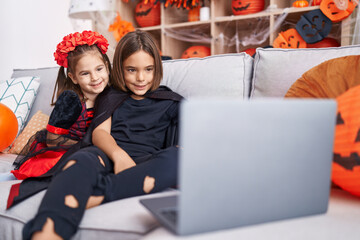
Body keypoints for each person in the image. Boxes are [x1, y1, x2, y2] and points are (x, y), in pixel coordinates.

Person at [22, 29, 183, 240]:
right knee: (80, 159)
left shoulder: (170, 101)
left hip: (146, 162)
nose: (141, 78)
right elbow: (100, 133)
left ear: (157, 68)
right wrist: (118, 154)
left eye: (148, 69)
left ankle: (101, 192)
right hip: (106, 155)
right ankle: (47, 232)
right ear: (118, 69)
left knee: (180, 158)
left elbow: (194, 135)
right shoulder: (111, 95)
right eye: (132, 70)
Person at [10, 30, 111, 180]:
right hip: (63, 150)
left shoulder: (111, 94)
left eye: (99, 69)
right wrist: (86, 146)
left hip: (93, 150)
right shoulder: (71, 99)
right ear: (73, 77)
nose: (95, 77)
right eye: (85, 73)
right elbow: (52, 140)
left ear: (107, 67)